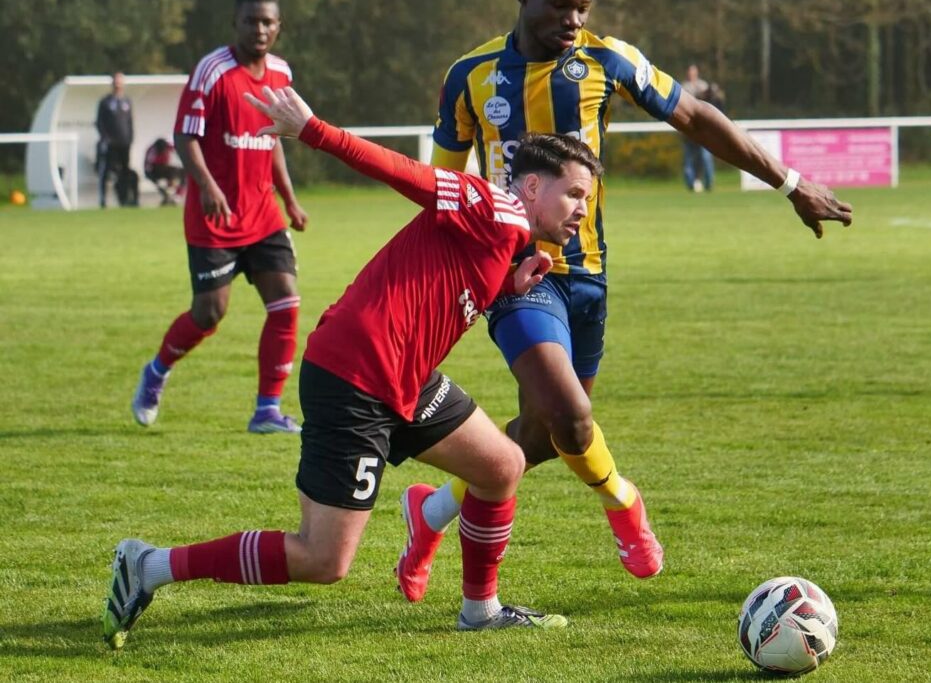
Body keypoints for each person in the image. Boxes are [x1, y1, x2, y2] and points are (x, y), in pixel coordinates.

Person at [397, 0, 853, 602]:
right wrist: (438, 284)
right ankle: (623, 501)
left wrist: (789, 183)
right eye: (560, 5)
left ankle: (430, 511)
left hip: (589, 276)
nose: (574, 20)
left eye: (583, 7)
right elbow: (439, 188)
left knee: (549, 433)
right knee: (573, 416)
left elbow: (695, 115)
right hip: (517, 280)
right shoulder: (471, 76)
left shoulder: (607, 60)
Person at [102, 84, 601, 649]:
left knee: (502, 465)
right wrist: (314, 130)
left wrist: (509, 282)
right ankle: (149, 566)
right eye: (574, 194)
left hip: (403, 380)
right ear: (533, 186)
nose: (581, 209)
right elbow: (405, 174)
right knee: (322, 559)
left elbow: (442, 284)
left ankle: (480, 610)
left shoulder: (505, 235)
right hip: (356, 377)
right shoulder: (491, 204)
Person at [129, 0, 308, 434]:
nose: (260, 30)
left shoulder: (282, 74)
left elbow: (274, 143)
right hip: (216, 217)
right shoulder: (212, 71)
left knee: (286, 303)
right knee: (210, 313)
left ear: (278, 25)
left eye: (268, 22)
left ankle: (267, 410)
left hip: (263, 213)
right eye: (251, 22)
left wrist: (289, 200)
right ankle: (157, 371)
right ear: (236, 22)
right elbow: (184, 135)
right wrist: (206, 186)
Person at [95, 71, 138, 207]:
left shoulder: (127, 101)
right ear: (112, 83)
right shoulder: (105, 102)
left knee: (125, 172)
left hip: (124, 143)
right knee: (107, 172)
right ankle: (103, 200)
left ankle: (124, 199)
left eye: (120, 82)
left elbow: (130, 122)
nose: (118, 84)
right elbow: (99, 122)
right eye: (116, 82)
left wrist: (130, 138)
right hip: (110, 144)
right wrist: (105, 138)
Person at [681, 64, 717, 192]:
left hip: (703, 129)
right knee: (689, 159)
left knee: (706, 157)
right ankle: (691, 185)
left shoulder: (703, 85)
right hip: (688, 129)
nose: (692, 74)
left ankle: (709, 183)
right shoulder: (684, 87)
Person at [143, 137, 186, 205]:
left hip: (165, 169)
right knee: (179, 174)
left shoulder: (170, 146)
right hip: (155, 171)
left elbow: (180, 156)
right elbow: (148, 168)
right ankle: (169, 195)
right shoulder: (152, 152)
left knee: (184, 174)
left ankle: (175, 195)